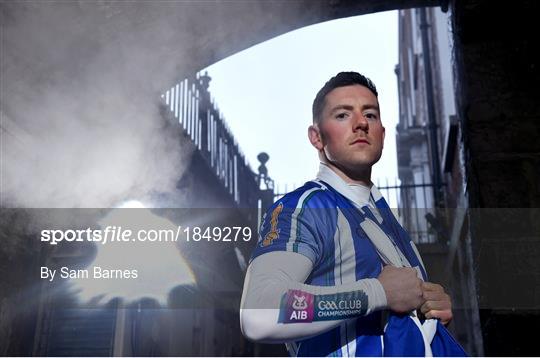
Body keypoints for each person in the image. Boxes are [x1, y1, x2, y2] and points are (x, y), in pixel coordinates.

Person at [240, 72, 453, 356]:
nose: (361, 123)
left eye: (371, 115)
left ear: (383, 134)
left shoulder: (388, 222)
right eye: (342, 115)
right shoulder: (305, 207)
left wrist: (432, 314)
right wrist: (377, 293)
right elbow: (258, 313)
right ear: (316, 137)